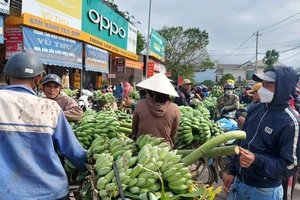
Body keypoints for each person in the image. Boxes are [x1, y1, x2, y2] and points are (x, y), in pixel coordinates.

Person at [0, 51, 87, 199]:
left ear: (7, 76)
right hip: (50, 191)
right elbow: (73, 152)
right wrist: (89, 166)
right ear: (39, 78)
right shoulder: (50, 108)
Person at [224, 67, 300, 200]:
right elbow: (242, 142)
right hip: (239, 184)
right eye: (263, 85)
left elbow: (289, 165)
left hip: (264, 191)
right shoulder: (256, 108)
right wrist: (232, 172)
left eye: (268, 85)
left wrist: (257, 160)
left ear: (283, 88)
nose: (262, 89)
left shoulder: (290, 122)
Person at [132, 73, 180, 148]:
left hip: (142, 147)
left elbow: (134, 129)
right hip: (163, 150)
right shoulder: (174, 108)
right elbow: (173, 133)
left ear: (151, 91)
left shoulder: (140, 104)